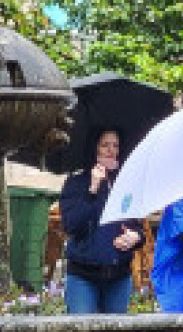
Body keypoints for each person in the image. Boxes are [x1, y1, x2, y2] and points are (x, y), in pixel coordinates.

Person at [59, 128, 143, 314]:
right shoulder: (76, 183)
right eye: (105, 145)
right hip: (84, 275)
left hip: (118, 275)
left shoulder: (124, 183)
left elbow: (137, 226)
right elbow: (72, 225)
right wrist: (92, 190)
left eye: (115, 145)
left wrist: (135, 237)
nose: (111, 150)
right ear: (94, 148)